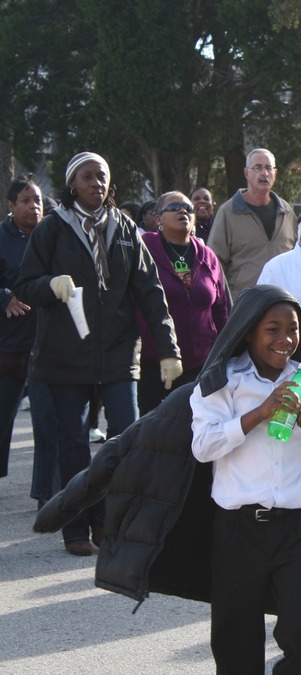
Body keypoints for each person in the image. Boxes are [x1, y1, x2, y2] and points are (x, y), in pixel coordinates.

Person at [14, 152, 182, 556]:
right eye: (87, 177)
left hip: (118, 355)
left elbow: (150, 292)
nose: (96, 183)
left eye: (102, 176)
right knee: (73, 444)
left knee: (125, 441)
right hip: (64, 356)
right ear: (72, 184)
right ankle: (75, 528)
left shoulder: (124, 228)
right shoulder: (53, 228)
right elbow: (26, 285)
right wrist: (49, 284)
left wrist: (168, 349)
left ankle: (110, 522)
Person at [191, 284, 301, 675]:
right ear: (248, 331)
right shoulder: (222, 381)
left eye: (293, 330)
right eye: (272, 330)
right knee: (236, 637)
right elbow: (203, 446)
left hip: (299, 526)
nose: (285, 340)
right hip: (240, 528)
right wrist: (259, 413)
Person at [137, 191, 230, 415]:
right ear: (158, 218)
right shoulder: (143, 248)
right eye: (174, 207)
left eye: (188, 208)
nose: (182, 211)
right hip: (153, 361)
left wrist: (225, 354)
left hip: (200, 363)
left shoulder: (207, 256)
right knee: (151, 428)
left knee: (194, 429)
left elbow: (221, 310)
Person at [207, 148, 297, 296]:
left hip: (282, 302)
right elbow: (214, 262)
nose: (264, 173)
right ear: (246, 173)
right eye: (257, 168)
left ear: (275, 173)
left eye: (268, 168)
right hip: (244, 302)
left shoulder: (286, 211)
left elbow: (297, 256)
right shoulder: (228, 212)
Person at [1, 179, 43, 487]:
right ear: (11, 206)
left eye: (38, 200)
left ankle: (46, 487)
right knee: (3, 414)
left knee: (49, 418)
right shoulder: (2, 237)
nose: (33, 207)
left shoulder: (50, 235)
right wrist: (5, 297)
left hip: (48, 339)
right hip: (9, 341)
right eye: (26, 201)